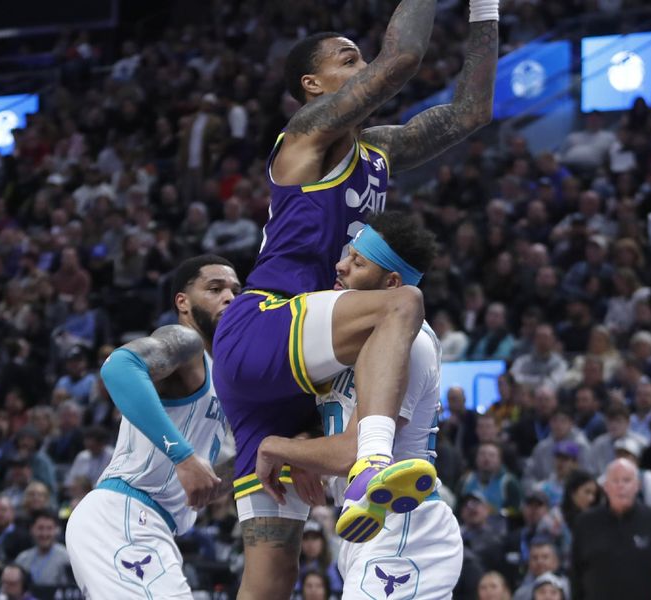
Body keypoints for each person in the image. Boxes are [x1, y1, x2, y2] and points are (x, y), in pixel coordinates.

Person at [213, 2, 500, 597]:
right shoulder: (304, 136)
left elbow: (472, 110)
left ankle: (353, 457)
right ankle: (373, 461)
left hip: (302, 364)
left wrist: (484, 8)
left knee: (273, 569)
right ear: (312, 87)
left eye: (362, 57)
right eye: (349, 60)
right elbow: (403, 59)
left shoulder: (378, 150)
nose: (365, 66)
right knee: (402, 305)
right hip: (267, 322)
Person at [255, 213, 463, 598]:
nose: (341, 265)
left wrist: (276, 446)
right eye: (347, 255)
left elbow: (352, 450)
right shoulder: (350, 342)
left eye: (358, 262)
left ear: (392, 284)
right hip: (366, 527)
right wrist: (305, 446)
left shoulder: (411, 344)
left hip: (403, 520)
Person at [65, 255, 240, 599]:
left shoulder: (224, 380)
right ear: (183, 302)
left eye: (236, 290)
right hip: (125, 517)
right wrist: (184, 456)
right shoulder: (184, 343)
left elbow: (204, 485)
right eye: (215, 288)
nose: (230, 297)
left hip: (151, 525)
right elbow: (119, 366)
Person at [571, 459, 651, 600]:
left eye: (627, 480)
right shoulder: (585, 523)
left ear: (637, 486)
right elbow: (576, 574)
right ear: (605, 487)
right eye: (615, 481)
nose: (621, 486)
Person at [14, 510, 71, 586]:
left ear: (56, 530)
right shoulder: (22, 559)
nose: (44, 534)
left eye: (49, 528)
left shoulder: (66, 558)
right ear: (32, 529)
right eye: (40, 528)